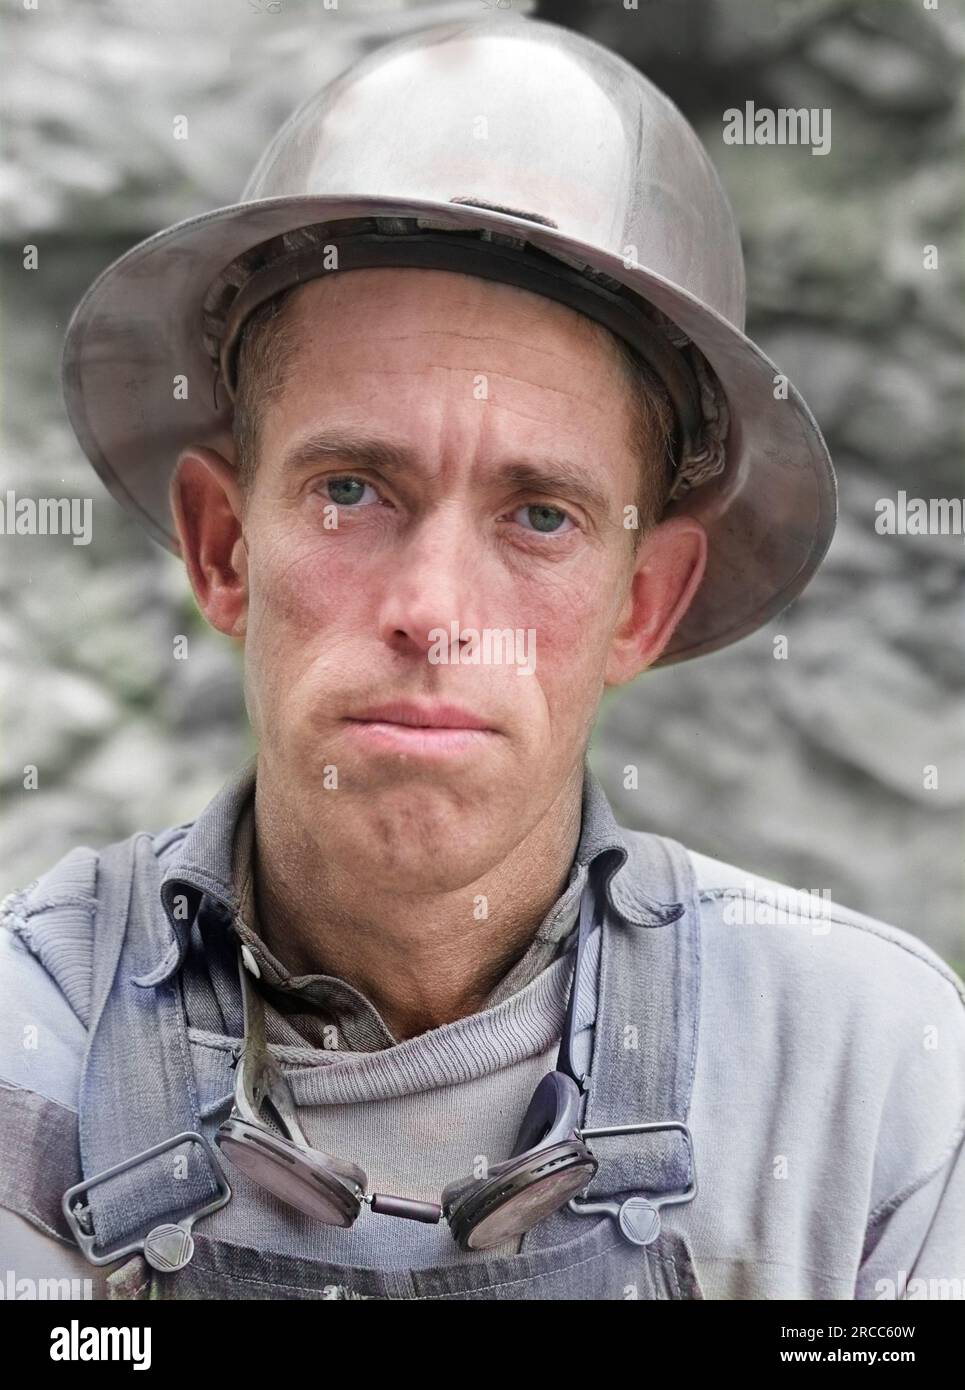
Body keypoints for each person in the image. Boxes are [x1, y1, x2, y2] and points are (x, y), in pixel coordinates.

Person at [2, 15, 962, 1301]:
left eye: (540, 517)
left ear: (644, 603)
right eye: (353, 488)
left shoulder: (862, 1079)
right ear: (223, 548)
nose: (431, 607)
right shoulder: (28, 1043)